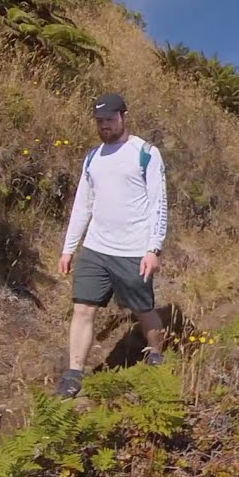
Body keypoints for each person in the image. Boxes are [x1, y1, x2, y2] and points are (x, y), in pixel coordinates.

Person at [55, 93, 169, 398]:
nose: (104, 125)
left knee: (142, 310)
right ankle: (74, 373)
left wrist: (153, 249)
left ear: (123, 116)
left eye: (109, 119)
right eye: (99, 121)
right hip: (95, 249)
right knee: (83, 309)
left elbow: (158, 204)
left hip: (133, 251)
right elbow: (82, 205)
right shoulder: (93, 157)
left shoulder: (145, 153)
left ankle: (156, 352)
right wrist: (69, 248)